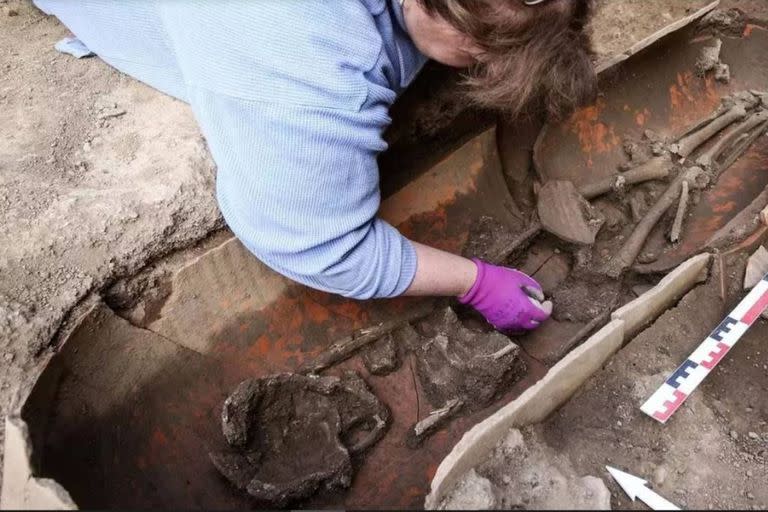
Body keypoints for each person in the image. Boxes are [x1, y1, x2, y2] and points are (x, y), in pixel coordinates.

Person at [36, 0, 596, 333]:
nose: (487, 69)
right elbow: (322, 246)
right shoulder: (309, 68)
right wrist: (475, 282)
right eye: (483, 52)